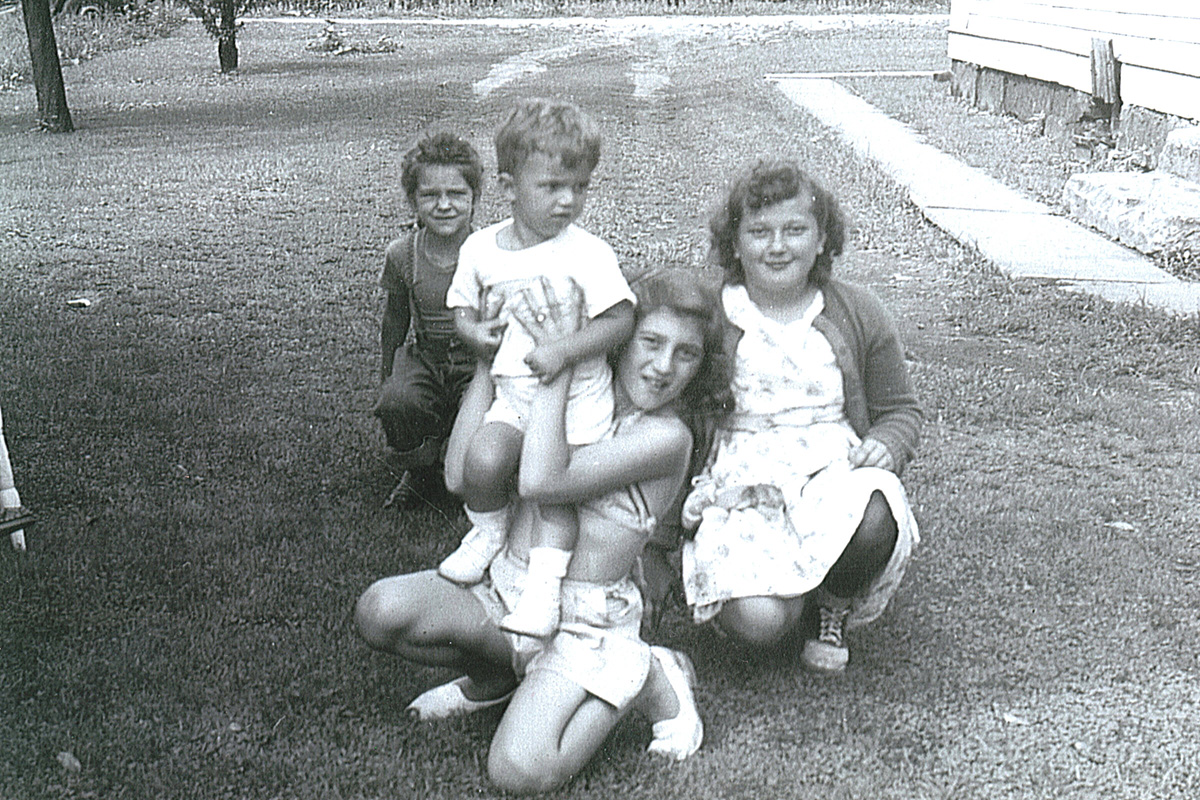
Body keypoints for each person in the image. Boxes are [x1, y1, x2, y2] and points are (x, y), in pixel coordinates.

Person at [354, 272, 732, 793]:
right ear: (620, 340)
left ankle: (646, 673)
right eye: (651, 342)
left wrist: (558, 366)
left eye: (686, 354)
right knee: (380, 612)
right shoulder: (580, 395)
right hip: (510, 591)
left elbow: (542, 483)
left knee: (520, 770)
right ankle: (497, 679)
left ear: (702, 366)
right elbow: (457, 475)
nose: (664, 366)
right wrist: (489, 364)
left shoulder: (666, 437)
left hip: (585, 625)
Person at [681, 157, 922, 674]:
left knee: (876, 509)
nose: (777, 246)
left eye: (795, 230)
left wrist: (887, 443)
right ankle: (779, 601)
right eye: (758, 232)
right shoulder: (711, 311)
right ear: (734, 243)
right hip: (744, 477)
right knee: (763, 624)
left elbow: (900, 409)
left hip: (828, 468)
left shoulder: (857, 310)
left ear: (821, 239)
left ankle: (832, 603)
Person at [437, 98, 636, 638]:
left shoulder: (588, 254)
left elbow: (620, 319)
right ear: (508, 186)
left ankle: (543, 591)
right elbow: (461, 307)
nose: (568, 200)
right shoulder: (481, 249)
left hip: (577, 404)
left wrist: (565, 350)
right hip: (513, 398)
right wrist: (473, 333)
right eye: (551, 187)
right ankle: (487, 533)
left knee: (552, 496)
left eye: (580, 187)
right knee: (482, 461)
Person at [374, 132, 484, 508]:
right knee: (398, 400)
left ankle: (464, 464)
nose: (444, 205)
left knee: (482, 429)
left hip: (478, 364)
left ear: (474, 198)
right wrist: (388, 369)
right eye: (430, 195)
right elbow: (395, 317)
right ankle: (419, 472)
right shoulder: (403, 254)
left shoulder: (491, 253)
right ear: (413, 201)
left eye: (457, 194)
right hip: (428, 358)